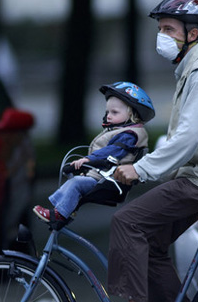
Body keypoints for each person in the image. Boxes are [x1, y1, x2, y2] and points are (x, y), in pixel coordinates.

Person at [90, 0, 198, 302]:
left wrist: (142, 170)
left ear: (192, 34)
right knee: (152, 243)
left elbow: (188, 138)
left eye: (168, 29)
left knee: (128, 221)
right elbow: (186, 139)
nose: (161, 36)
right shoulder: (193, 70)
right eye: (160, 29)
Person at [33, 82, 154, 222]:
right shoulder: (123, 131)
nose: (108, 116)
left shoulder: (129, 135)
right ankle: (61, 209)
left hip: (108, 180)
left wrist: (88, 160)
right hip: (102, 176)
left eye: (114, 112)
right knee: (75, 181)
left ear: (132, 114)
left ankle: (58, 214)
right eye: (107, 112)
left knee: (77, 183)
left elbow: (112, 152)